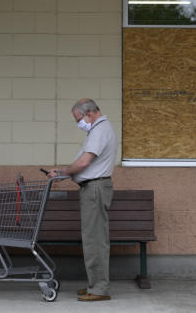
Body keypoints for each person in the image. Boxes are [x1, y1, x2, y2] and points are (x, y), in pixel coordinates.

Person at [48, 98, 117, 302]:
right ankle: (95, 284)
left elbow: (84, 162)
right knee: (93, 237)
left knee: (95, 239)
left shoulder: (99, 130)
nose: (79, 123)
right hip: (94, 188)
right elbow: (82, 162)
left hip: (95, 189)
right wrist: (62, 171)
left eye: (79, 119)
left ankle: (99, 288)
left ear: (89, 114)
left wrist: (65, 172)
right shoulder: (98, 130)